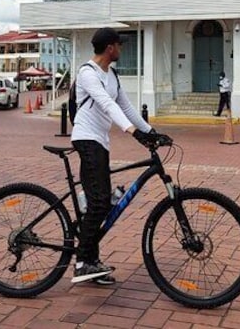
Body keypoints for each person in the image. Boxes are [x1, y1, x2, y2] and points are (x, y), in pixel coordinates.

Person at [70, 27, 163, 285]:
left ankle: (92, 262)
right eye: (119, 45)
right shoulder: (87, 73)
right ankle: (81, 263)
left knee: (99, 203)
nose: (122, 49)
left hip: (100, 142)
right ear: (110, 47)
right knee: (100, 202)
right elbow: (106, 105)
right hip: (86, 139)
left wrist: (150, 131)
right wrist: (132, 131)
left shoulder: (112, 75)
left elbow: (126, 107)